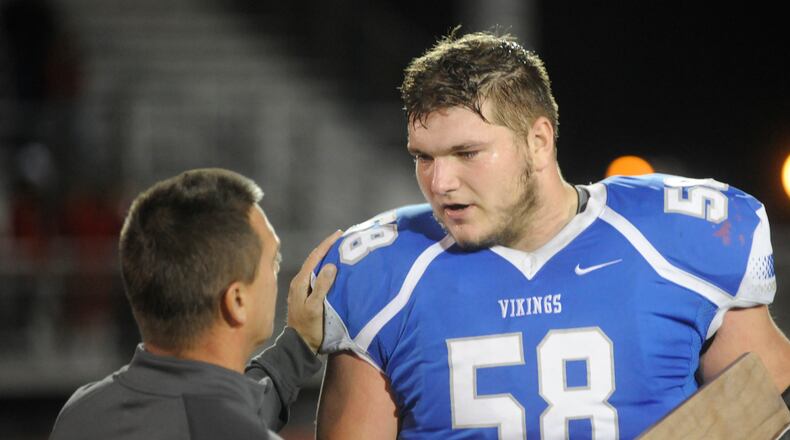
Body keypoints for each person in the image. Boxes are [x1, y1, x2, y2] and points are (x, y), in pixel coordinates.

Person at [313, 31, 790, 439]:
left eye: (467, 152)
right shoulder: (383, 271)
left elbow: (772, 412)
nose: (440, 183)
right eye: (424, 157)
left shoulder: (676, 238)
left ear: (538, 142)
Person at [50, 168, 341, 440]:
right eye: (273, 261)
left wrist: (299, 344)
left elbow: (210, 410)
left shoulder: (80, 412)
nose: (278, 276)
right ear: (237, 301)